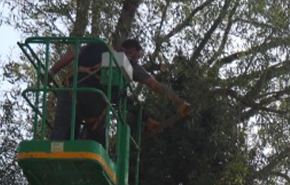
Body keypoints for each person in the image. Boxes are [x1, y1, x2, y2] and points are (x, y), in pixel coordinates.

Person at [48, 37, 192, 141]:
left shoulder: (97, 45)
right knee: (98, 144)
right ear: (133, 51)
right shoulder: (126, 63)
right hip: (93, 102)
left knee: (59, 138)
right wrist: (179, 102)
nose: (137, 60)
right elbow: (154, 86)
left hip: (68, 93)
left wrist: (51, 73)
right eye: (138, 57)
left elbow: (70, 55)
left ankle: (51, 161)